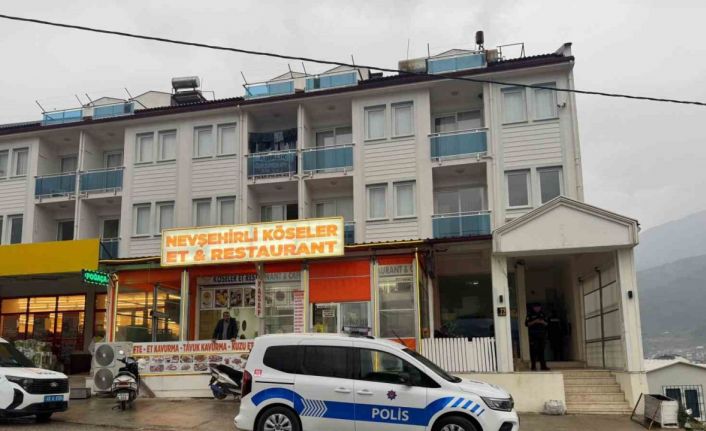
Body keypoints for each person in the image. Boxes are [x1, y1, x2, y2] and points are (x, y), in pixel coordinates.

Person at [525, 303, 549, 371]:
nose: (537, 308)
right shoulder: (530, 315)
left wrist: (542, 322)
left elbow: (547, 323)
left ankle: (543, 366)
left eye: (538, 307)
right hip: (533, 335)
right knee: (533, 351)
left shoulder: (543, 314)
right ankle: (533, 366)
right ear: (533, 308)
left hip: (542, 335)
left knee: (542, 351)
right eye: (536, 307)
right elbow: (527, 324)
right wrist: (535, 321)